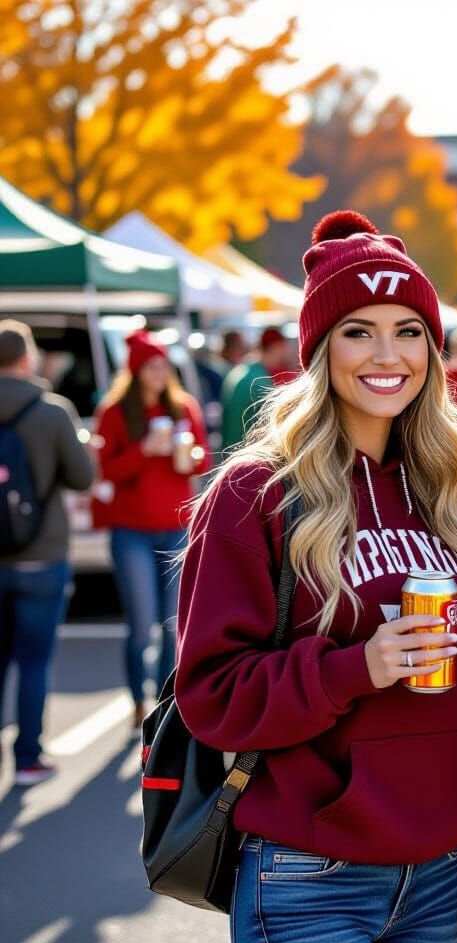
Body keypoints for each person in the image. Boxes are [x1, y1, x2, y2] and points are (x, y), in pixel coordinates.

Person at [175, 211, 457, 943]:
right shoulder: (257, 493)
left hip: (435, 878)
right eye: (358, 331)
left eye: (408, 332)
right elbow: (211, 695)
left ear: (434, 352)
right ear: (320, 350)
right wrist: (360, 666)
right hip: (306, 875)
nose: (387, 354)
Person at [93, 330, 210, 733]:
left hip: (176, 527)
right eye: (152, 366)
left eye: (164, 365)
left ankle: (164, 703)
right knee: (141, 622)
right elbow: (105, 470)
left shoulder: (183, 407)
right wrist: (144, 450)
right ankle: (135, 699)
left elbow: (202, 461)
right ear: (136, 371)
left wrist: (187, 456)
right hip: (131, 531)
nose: (160, 373)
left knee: (172, 623)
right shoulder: (114, 413)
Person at [0, 321, 93, 785]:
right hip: (41, 551)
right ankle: (28, 757)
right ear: (26, 358)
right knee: (34, 661)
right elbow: (82, 477)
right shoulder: (52, 411)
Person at [218, 327, 295, 450]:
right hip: (245, 455)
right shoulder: (259, 382)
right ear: (276, 347)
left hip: (231, 452)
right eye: (283, 347)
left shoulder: (240, 371)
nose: (286, 352)